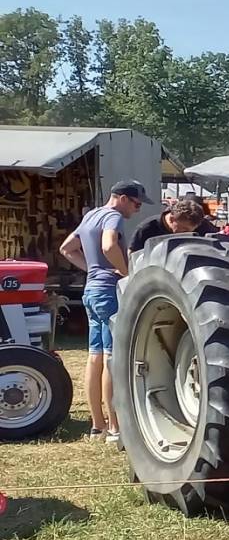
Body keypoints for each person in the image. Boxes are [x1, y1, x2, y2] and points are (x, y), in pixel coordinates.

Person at [58, 179, 146, 443]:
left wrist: (92, 269)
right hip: (108, 291)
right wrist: (125, 272)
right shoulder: (112, 217)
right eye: (136, 203)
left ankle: (97, 425)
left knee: (94, 357)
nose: (137, 209)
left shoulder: (90, 216)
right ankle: (115, 427)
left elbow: (67, 249)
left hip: (90, 290)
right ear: (121, 198)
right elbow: (109, 246)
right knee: (111, 357)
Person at [129, 195, 217, 253]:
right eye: (184, 230)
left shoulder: (202, 225)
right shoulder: (146, 229)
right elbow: (132, 254)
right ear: (171, 219)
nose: (187, 234)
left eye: (192, 231)